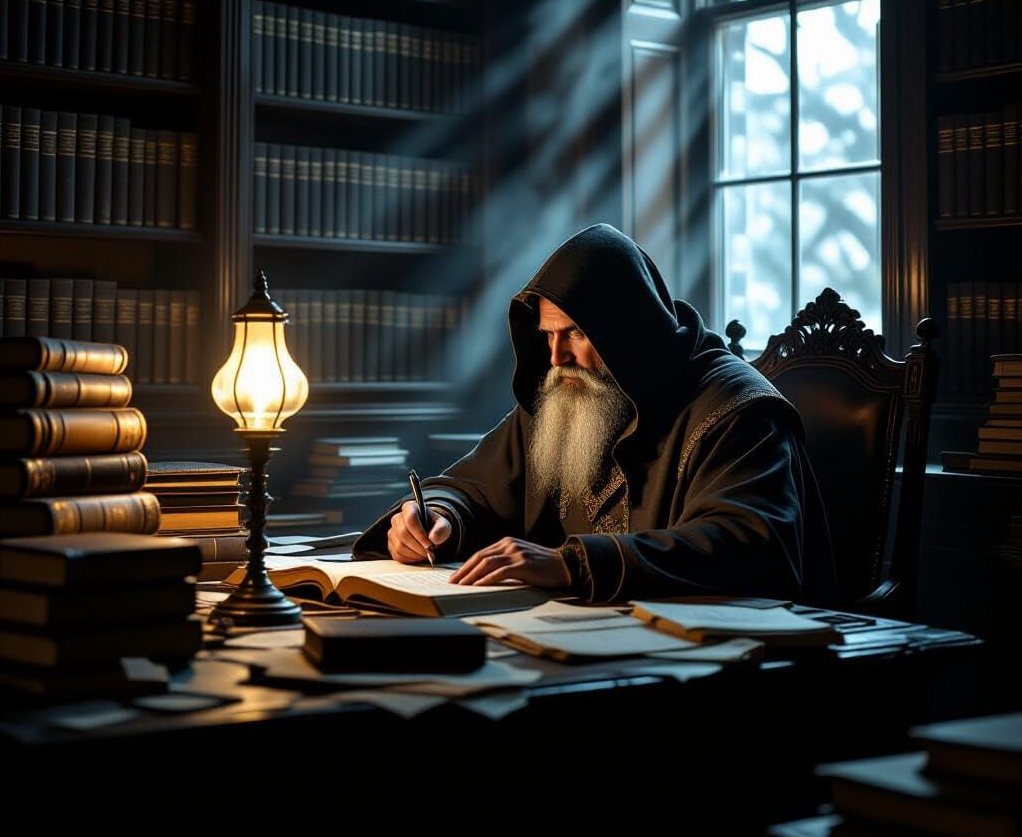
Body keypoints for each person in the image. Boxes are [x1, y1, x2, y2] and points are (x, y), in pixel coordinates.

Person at [353, 223, 836, 603]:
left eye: (575, 334)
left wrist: (573, 564)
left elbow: (747, 543)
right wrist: (438, 517)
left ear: (629, 330)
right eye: (548, 335)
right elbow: (471, 487)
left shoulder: (737, 410)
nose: (557, 358)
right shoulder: (568, 396)